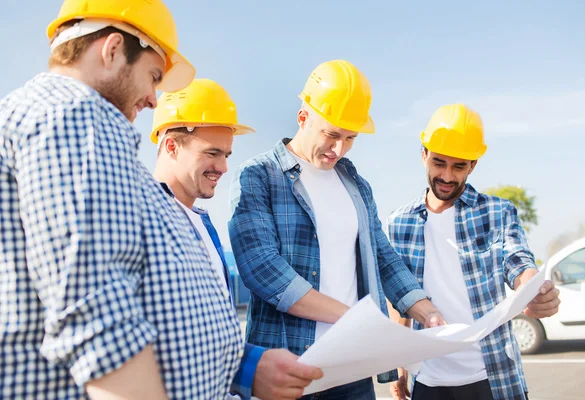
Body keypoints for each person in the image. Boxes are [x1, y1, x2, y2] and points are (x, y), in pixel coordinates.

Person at [0, 1, 261, 398]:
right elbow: (98, 314)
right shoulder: (77, 114)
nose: (155, 100)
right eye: (153, 76)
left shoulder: (35, 115)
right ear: (112, 49)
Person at [228, 59, 446, 399]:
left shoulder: (355, 184)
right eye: (331, 135)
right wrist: (356, 319)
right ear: (303, 118)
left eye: (350, 138)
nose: (339, 149)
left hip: (351, 370)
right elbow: (262, 270)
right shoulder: (258, 176)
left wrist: (425, 309)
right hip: (288, 366)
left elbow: (382, 256)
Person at [151, 78, 323, 400]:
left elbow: (208, 334)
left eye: (227, 154)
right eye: (212, 153)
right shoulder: (143, 219)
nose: (224, 167)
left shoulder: (202, 224)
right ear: (171, 146)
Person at [387, 104, 561, 400]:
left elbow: (517, 260)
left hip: (492, 376)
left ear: (473, 165)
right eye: (439, 162)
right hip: (428, 380)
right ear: (424, 155)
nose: (446, 175)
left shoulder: (497, 212)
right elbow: (399, 297)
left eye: (458, 166)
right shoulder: (399, 222)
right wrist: (399, 366)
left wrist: (532, 289)